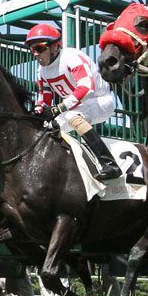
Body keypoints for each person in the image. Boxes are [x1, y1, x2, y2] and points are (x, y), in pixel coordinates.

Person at [26, 23, 122, 181]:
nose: (35, 54)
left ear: (55, 46)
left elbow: (86, 87)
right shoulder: (41, 70)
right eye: (32, 49)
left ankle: (110, 164)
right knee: (47, 127)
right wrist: (38, 110)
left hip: (101, 100)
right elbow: (45, 97)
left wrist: (58, 109)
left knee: (73, 116)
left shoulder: (72, 57)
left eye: (39, 48)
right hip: (76, 106)